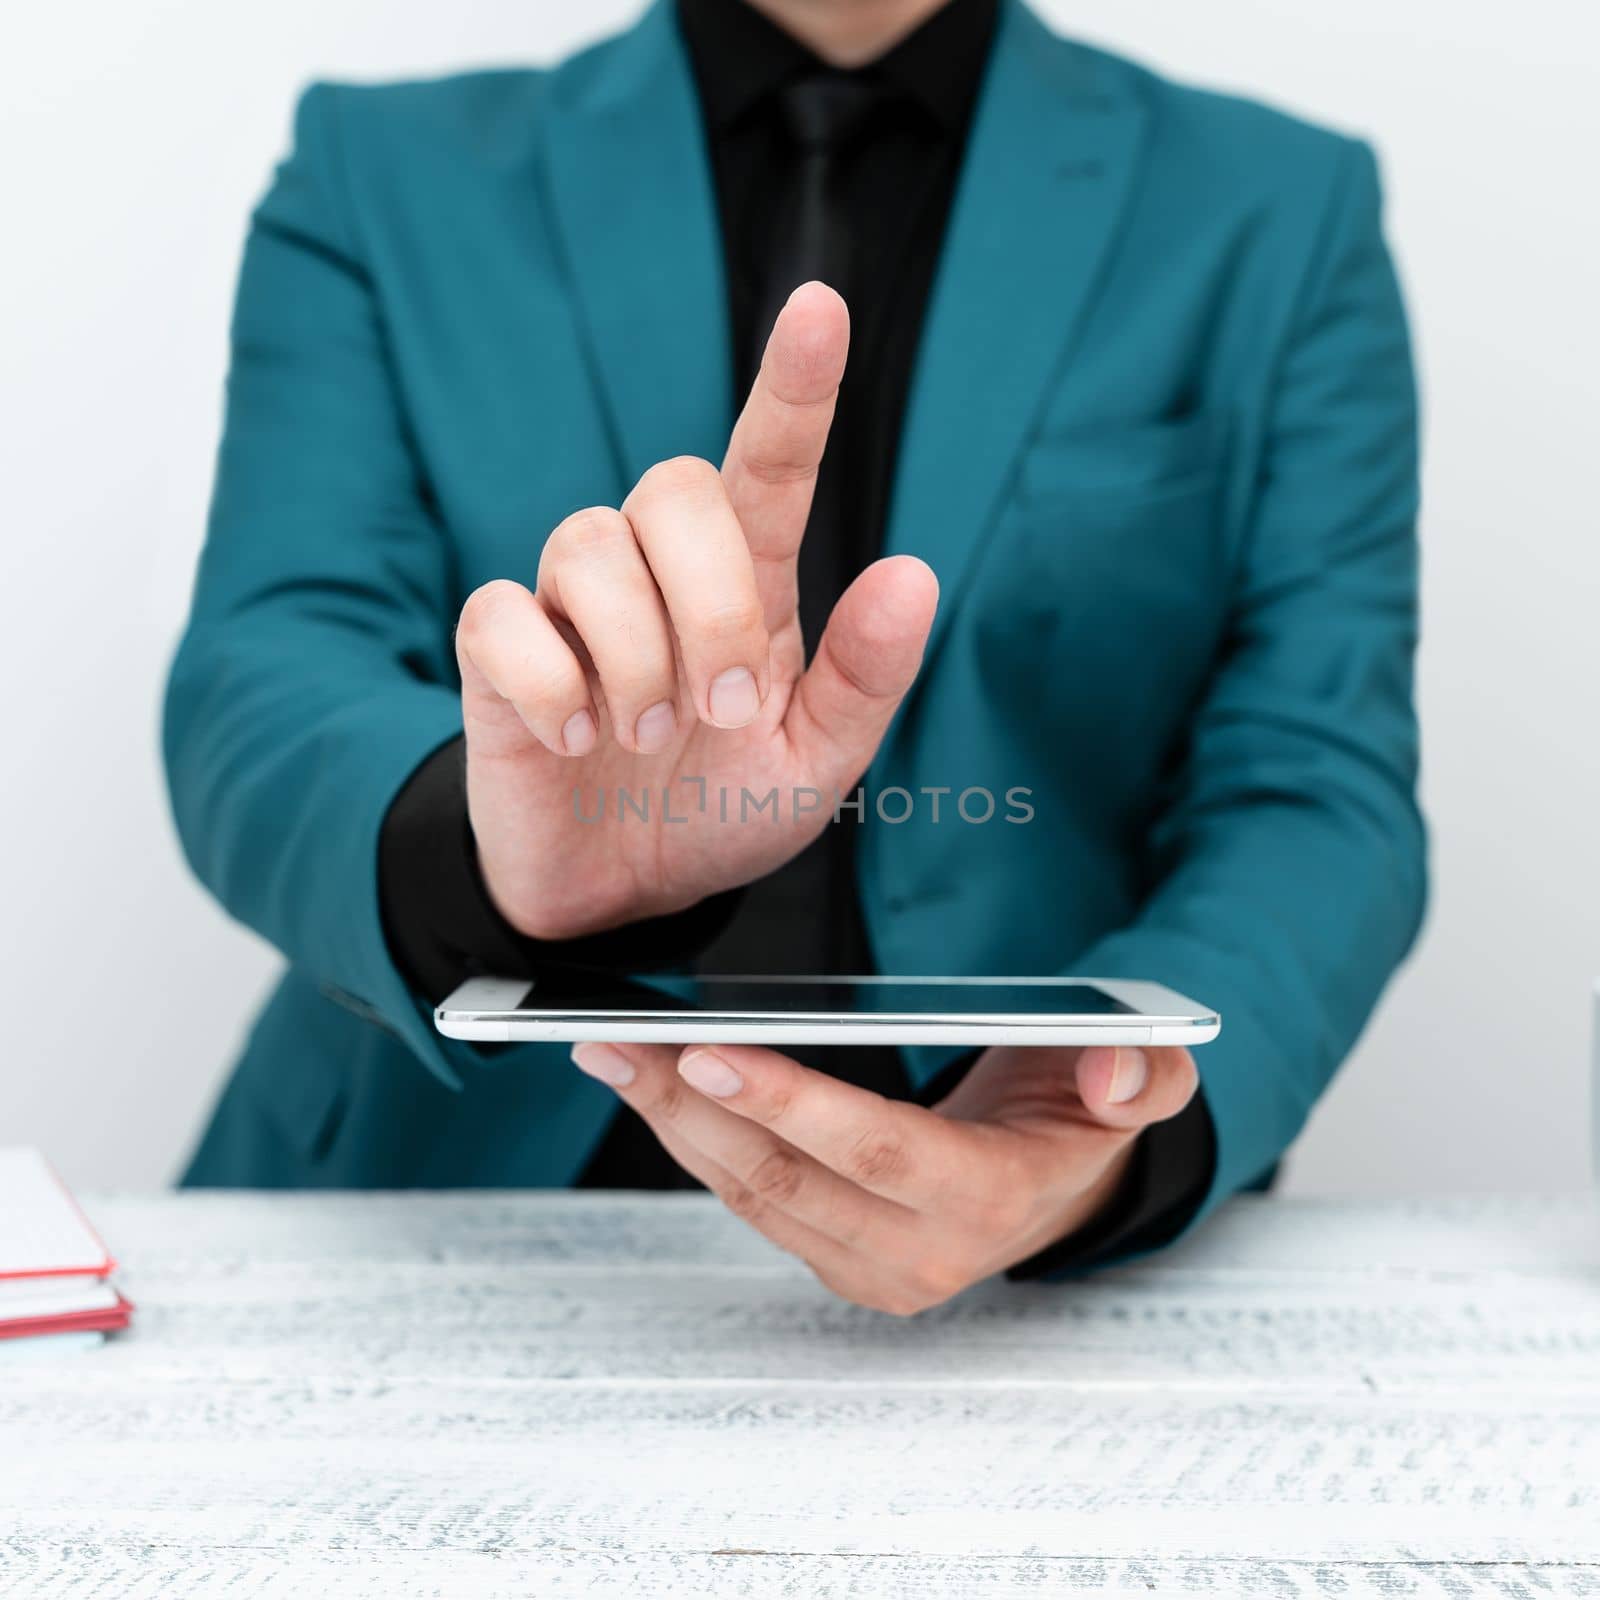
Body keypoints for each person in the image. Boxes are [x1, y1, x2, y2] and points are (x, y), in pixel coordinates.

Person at [166, 0, 1425, 1314]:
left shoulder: (1276, 208)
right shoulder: (382, 173)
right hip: (436, 1224)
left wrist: (1095, 1137)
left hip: (1027, 1244)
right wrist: (492, 851)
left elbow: (1317, 776)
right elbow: (261, 671)